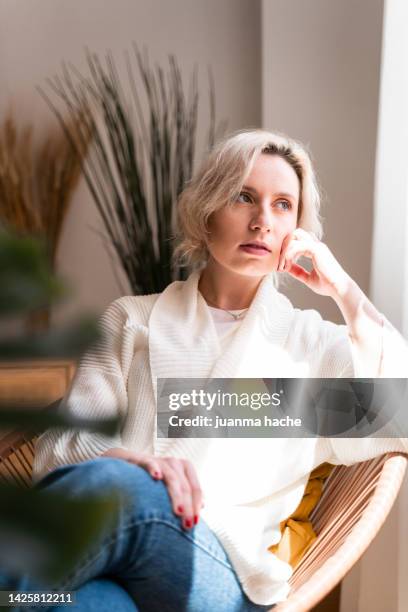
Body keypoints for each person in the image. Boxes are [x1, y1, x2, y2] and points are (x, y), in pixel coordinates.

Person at [7, 130, 408, 611]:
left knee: (132, 489)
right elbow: (62, 451)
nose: (262, 220)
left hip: (219, 579)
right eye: (244, 196)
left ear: (297, 230)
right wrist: (135, 461)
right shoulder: (132, 320)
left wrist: (345, 292)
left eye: (283, 205)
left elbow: (399, 415)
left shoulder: (311, 346)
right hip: (112, 563)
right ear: (207, 210)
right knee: (88, 602)